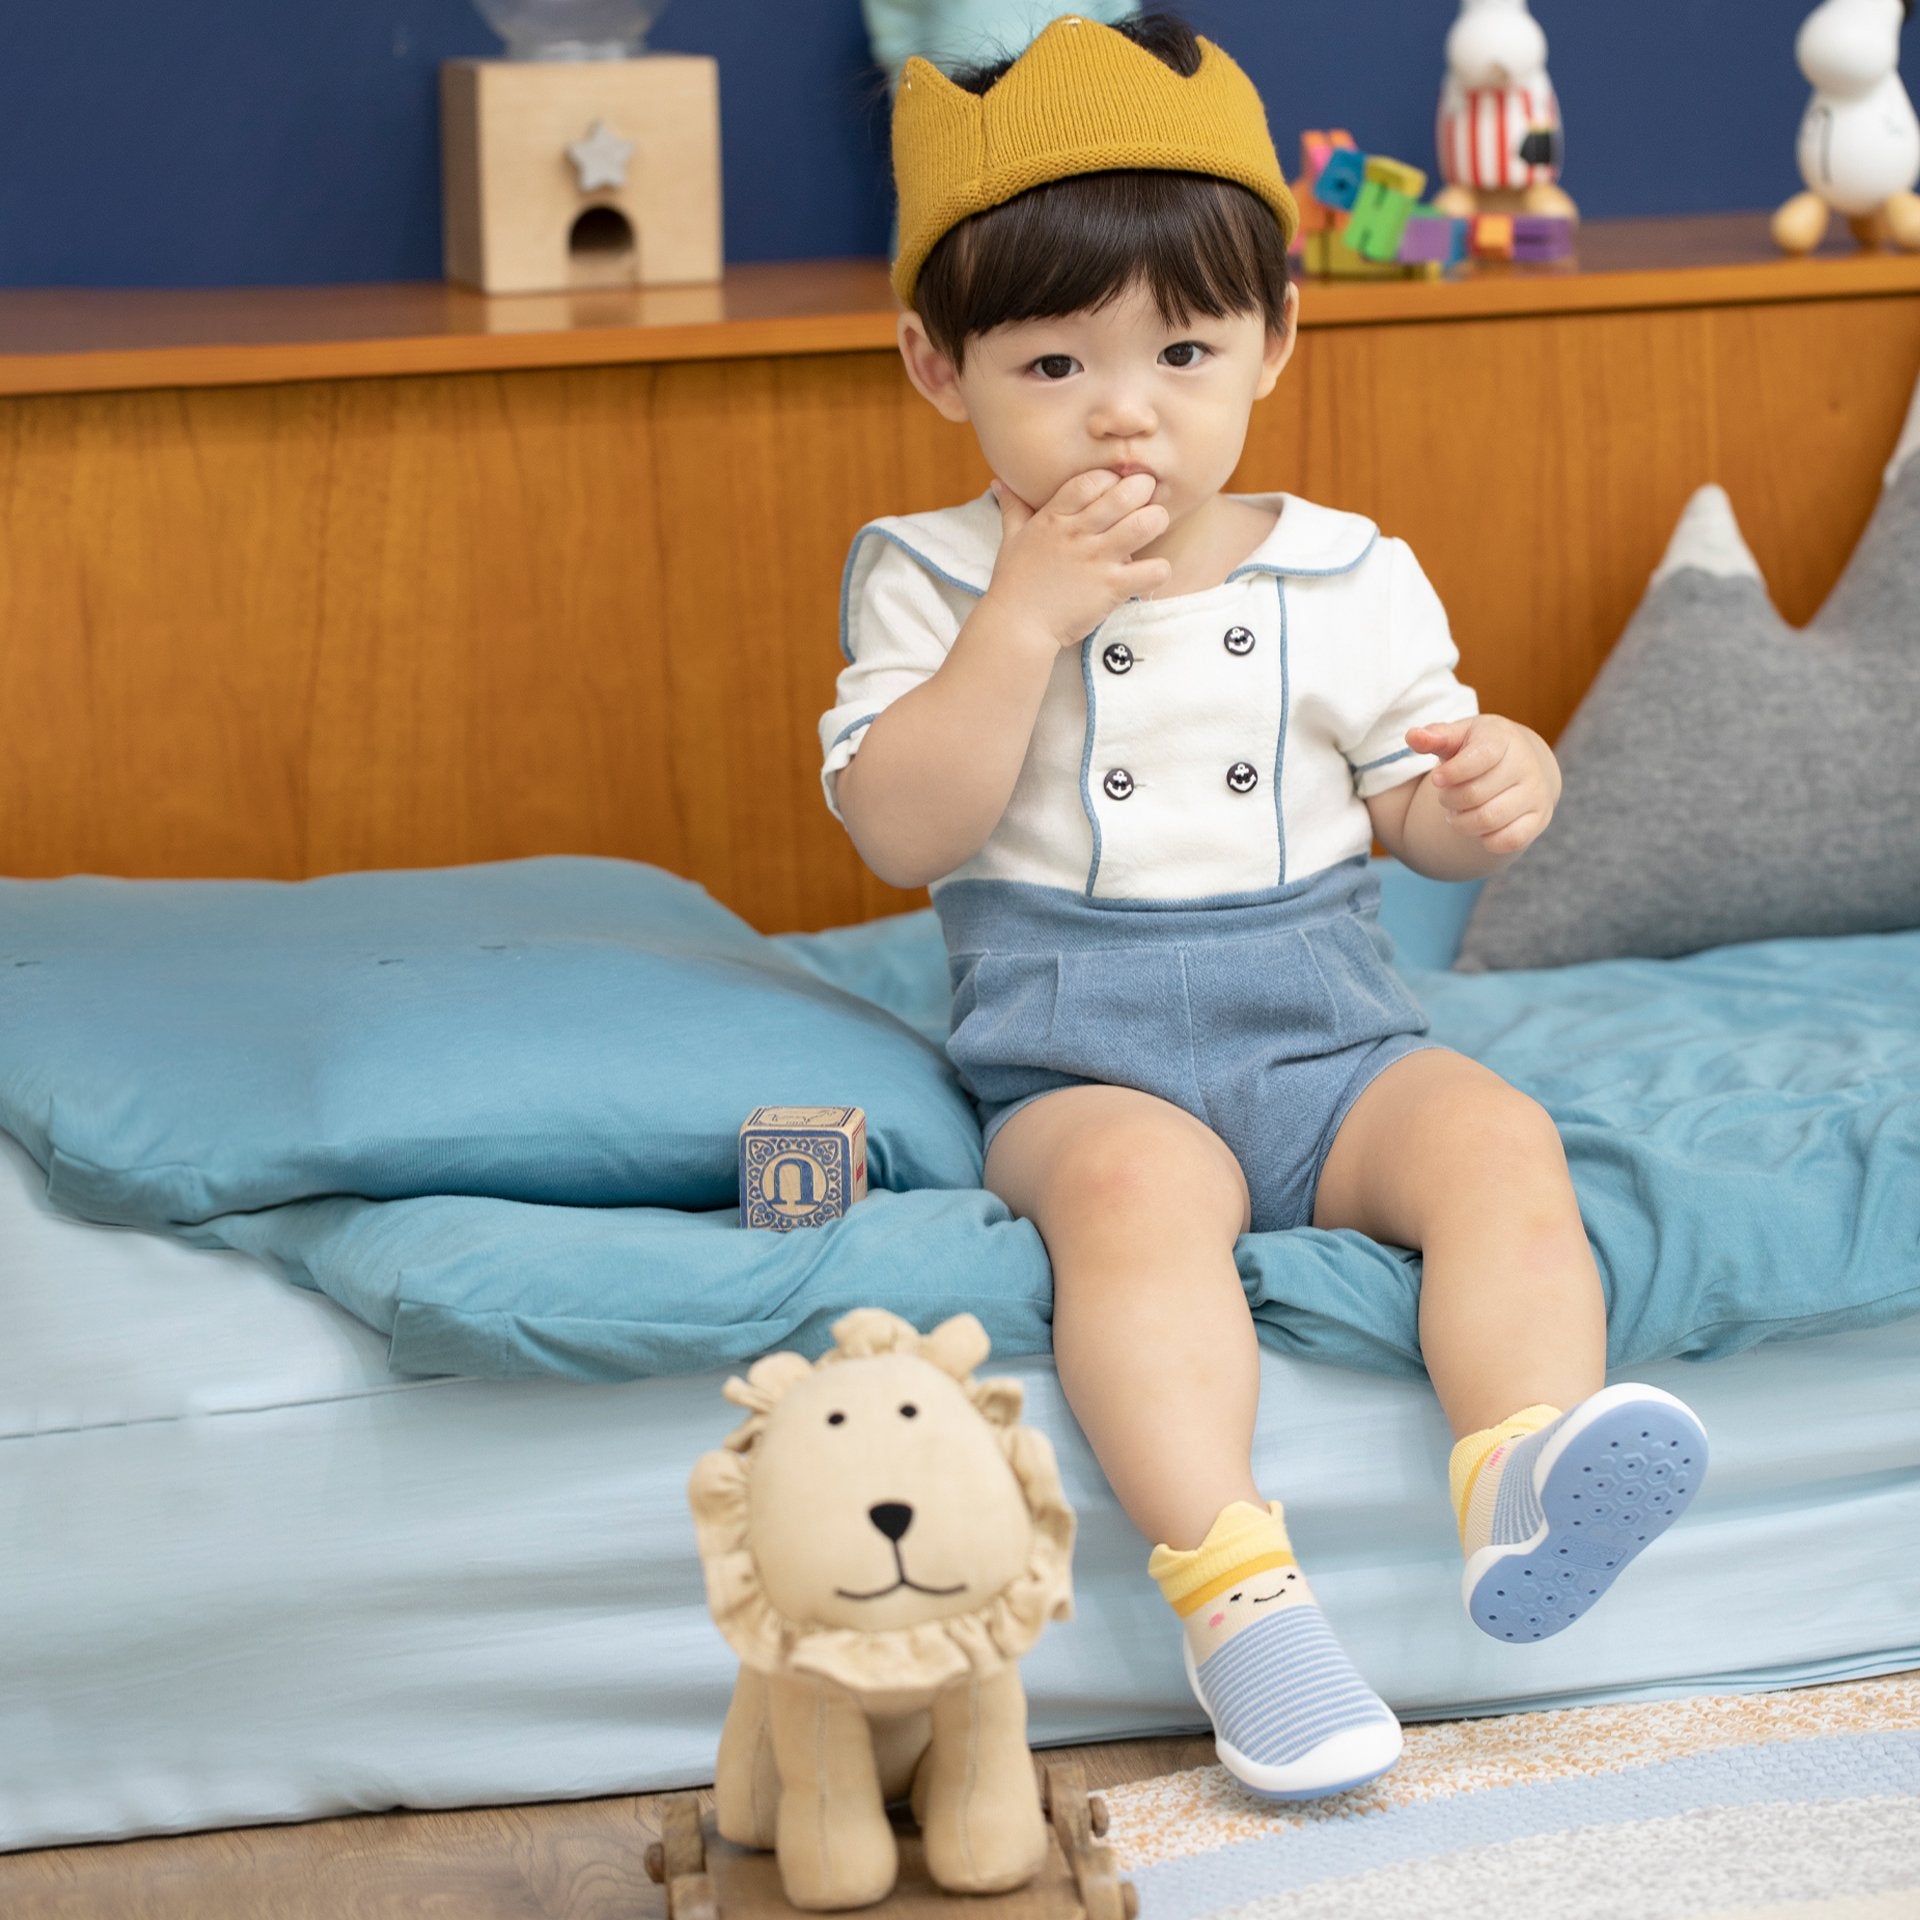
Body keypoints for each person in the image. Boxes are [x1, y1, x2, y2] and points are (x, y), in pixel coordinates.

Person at [819, 9, 1708, 1801]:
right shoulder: (924, 575)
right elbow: (900, 832)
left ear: (1277, 341)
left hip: (1329, 1029)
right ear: (939, 367)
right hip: (1085, 1057)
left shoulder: (1347, 568)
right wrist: (1021, 619)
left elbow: (1412, 821)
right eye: (1052, 365)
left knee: (1498, 1148)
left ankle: (1518, 1471)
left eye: (1183, 348)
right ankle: (1244, 1599)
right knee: (1138, 1214)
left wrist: (1486, 798)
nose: (1123, 409)